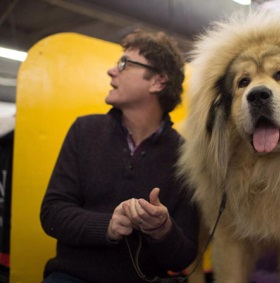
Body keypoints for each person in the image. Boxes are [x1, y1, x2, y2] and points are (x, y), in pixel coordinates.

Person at [40, 30, 199, 283]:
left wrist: (163, 230)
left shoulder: (185, 156)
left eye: (124, 64)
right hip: (73, 277)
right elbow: (52, 213)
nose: (112, 71)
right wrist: (108, 226)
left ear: (158, 81)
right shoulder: (84, 131)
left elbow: (184, 256)